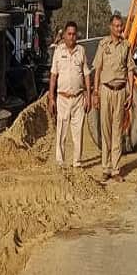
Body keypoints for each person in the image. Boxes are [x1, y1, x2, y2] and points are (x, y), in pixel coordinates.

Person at [91, 14, 135, 182]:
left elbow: (130, 69)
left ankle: (116, 170)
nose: (119, 29)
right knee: (106, 129)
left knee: (118, 130)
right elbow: (98, 69)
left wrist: (130, 92)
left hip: (120, 90)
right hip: (106, 90)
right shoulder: (103, 45)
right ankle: (105, 167)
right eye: (116, 26)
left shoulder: (126, 46)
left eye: (120, 26)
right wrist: (95, 92)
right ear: (110, 27)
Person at [48, 22, 91, 169]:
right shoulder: (58, 52)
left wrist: (89, 96)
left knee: (78, 132)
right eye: (69, 34)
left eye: (74, 34)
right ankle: (60, 162)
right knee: (61, 131)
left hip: (78, 98)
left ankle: (77, 163)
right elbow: (53, 75)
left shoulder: (81, 51)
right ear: (64, 35)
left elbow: (86, 74)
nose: (72, 37)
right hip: (62, 99)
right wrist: (51, 98)